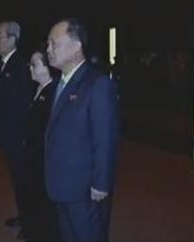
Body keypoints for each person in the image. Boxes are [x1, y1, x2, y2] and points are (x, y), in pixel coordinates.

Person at [45, 18, 120, 242]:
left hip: (85, 190)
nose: (48, 49)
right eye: (47, 44)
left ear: (77, 46)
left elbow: (105, 138)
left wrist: (101, 183)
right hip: (62, 185)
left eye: (53, 43)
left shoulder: (96, 84)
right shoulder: (61, 82)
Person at [0, 20, 34, 240]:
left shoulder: (19, 66)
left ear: (12, 39)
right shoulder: (5, 65)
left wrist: (23, 137)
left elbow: (23, 105)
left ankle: (32, 224)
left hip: (19, 138)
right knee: (18, 180)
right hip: (10, 137)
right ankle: (24, 216)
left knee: (25, 182)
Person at [22, 48, 60, 242]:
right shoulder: (36, 89)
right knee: (34, 196)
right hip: (33, 156)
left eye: (34, 64)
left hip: (44, 158)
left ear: (47, 68)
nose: (30, 68)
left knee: (45, 201)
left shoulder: (53, 92)